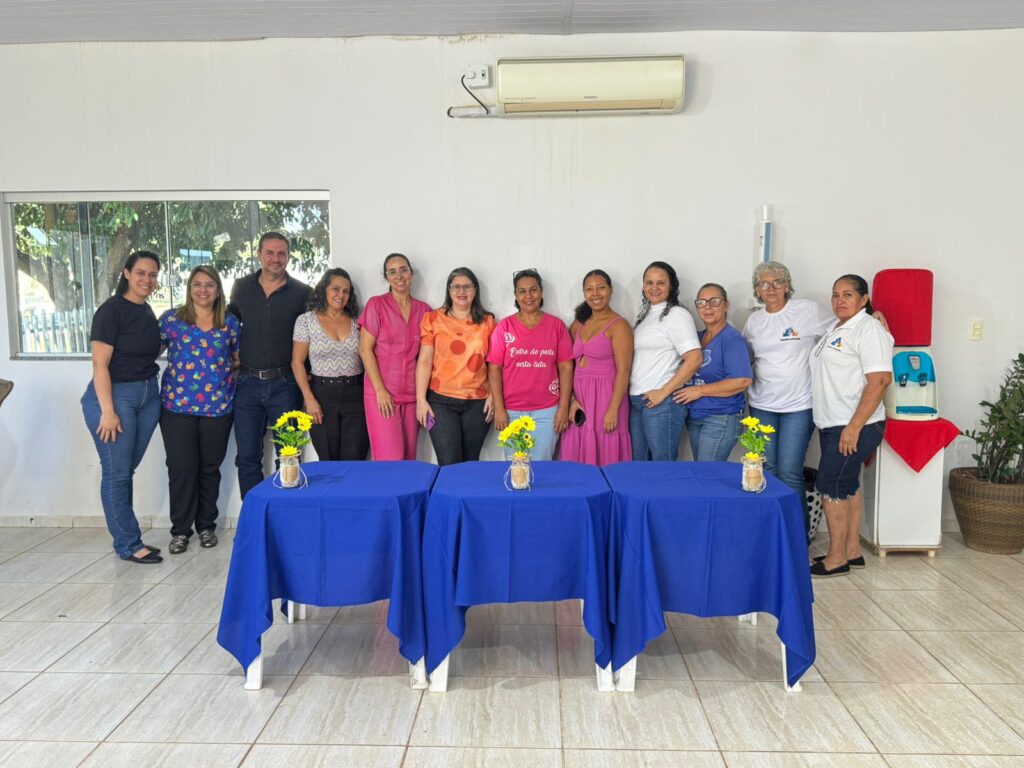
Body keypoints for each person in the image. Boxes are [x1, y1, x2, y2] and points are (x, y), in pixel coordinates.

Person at [81, 251, 164, 564]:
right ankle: (128, 544)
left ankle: (129, 536)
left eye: (152, 275)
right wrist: (108, 411)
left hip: (148, 395)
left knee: (125, 470)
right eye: (141, 273)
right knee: (117, 474)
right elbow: (99, 365)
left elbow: (146, 349)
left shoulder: (146, 310)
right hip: (115, 397)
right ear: (127, 273)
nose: (147, 280)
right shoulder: (111, 311)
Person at [810, 274, 893, 578]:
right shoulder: (839, 327)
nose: (839, 300)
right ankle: (851, 551)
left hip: (854, 424)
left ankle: (835, 559)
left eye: (847, 294)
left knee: (830, 486)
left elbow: (880, 380)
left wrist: (854, 427)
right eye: (835, 294)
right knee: (847, 485)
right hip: (835, 422)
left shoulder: (869, 329)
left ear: (863, 299)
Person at [742, 261, 835, 530]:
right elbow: (746, 358)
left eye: (777, 282)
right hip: (762, 404)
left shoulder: (806, 310)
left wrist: (872, 314)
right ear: (757, 290)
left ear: (787, 285)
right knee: (766, 470)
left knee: (790, 471)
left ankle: (797, 539)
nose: (771, 288)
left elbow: (842, 328)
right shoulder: (754, 321)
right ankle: (772, 534)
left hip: (799, 405)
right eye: (764, 284)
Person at [158, 265, 239, 554]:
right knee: (181, 468)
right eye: (197, 284)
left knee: (209, 469)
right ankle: (180, 531)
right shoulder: (171, 320)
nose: (203, 290)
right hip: (176, 407)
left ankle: (206, 526)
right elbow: (148, 352)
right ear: (189, 288)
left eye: (209, 285)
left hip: (218, 408)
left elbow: (237, 358)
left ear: (218, 290)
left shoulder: (229, 323)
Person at [228, 232, 311, 499]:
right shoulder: (241, 287)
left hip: (285, 385)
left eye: (281, 253)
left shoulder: (302, 293)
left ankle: (284, 514)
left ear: (288, 256)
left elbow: (308, 337)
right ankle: (254, 514)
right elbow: (230, 326)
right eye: (270, 253)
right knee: (247, 457)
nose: (276, 259)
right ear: (259, 254)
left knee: (289, 455)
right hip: (247, 384)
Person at [486, 269, 573, 460]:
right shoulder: (504, 327)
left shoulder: (556, 326)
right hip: (511, 410)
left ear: (541, 292)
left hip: (548, 411)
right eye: (522, 291)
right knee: (516, 466)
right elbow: (494, 369)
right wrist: (499, 408)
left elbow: (566, 368)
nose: (528, 296)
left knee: (542, 467)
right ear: (515, 295)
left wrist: (563, 408)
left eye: (533, 290)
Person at [416, 267, 495, 466]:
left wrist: (494, 395)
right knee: (449, 462)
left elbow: (494, 364)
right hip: (440, 400)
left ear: (475, 290)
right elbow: (425, 361)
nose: (462, 291)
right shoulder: (432, 319)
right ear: (449, 290)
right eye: (456, 286)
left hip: (478, 402)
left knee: (470, 463)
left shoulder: (488, 321)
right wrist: (420, 399)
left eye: (467, 286)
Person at [291, 268, 370, 461]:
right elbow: (297, 362)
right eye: (336, 289)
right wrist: (309, 399)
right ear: (324, 289)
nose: (341, 295)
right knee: (328, 459)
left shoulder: (357, 321)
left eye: (346, 291)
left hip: (355, 395)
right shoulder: (306, 321)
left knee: (355, 460)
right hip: (321, 395)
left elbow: (369, 355)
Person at [358, 253, 431, 460]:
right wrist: (380, 391)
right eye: (392, 272)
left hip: (412, 395)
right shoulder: (376, 305)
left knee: (409, 458)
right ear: (386, 277)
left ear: (411, 274)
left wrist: (421, 397)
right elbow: (365, 350)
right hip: (382, 393)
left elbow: (426, 357)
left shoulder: (424, 311)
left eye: (403, 270)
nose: (399, 276)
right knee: (390, 459)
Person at [629, 261, 703, 461]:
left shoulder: (677, 315)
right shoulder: (645, 316)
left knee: (663, 465)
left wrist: (662, 393)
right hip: (638, 399)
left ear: (671, 286)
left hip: (662, 402)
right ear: (643, 286)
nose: (654, 288)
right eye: (649, 282)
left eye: (661, 283)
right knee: (640, 464)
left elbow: (695, 358)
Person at [560, 269, 633, 466]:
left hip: (607, 396)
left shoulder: (619, 325)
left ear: (610, 290)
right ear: (584, 293)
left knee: (605, 447)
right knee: (577, 448)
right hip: (580, 398)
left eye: (601, 288)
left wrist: (613, 409)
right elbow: (567, 365)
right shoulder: (578, 324)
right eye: (589, 289)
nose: (595, 294)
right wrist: (571, 399)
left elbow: (624, 371)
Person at [674, 283, 753, 461]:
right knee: (704, 471)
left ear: (726, 305)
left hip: (720, 417)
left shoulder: (732, 339)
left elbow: (742, 381)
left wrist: (699, 391)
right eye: (701, 303)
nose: (707, 307)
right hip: (695, 416)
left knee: (707, 473)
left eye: (714, 301)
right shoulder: (697, 338)